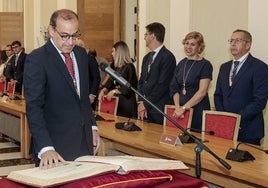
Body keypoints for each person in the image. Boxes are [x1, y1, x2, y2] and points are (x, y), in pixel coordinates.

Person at [23, 9, 100, 168]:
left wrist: (92, 126)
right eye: (64, 35)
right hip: (54, 147)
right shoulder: (37, 59)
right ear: (51, 30)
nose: (70, 42)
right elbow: (34, 107)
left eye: (75, 35)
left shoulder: (80, 54)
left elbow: (83, 98)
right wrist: (45, 147)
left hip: (83, 143)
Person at [214, 29, 268, 145]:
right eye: (231, 41)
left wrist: (236, 119)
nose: (233, 44)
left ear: (248, 45)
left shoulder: (259, 67)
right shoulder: (224, 67)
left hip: (248, 130)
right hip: (225, 129)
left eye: (237, 41)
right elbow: (218, 95)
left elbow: (259, 101)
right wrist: (224, 118)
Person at [169, 31, 213, 131]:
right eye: (186, 43)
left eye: (192, 44)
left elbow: (202, 92)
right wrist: (177, 107)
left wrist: (184, 108)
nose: (188, 47)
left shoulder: (205, 65)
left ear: (199, 47)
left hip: (197, 110)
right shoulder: (181, 63)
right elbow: (174, 88)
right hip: (180, 112)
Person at [137, 22, 176, 124]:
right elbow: (141, 81)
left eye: (146, 34)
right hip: (145, 108)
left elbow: (162, 85)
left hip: (158, 108)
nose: (144, 37)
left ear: (152, 36)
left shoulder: (167, 57)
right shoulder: (146, 58)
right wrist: (141, 102)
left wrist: (146, 103)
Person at [98, 41, 138, 118]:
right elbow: (111, 82)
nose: (112, 54)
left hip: (127, 104)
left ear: (119, 52)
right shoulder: (117, 68)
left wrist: (114, 91)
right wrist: (103, 90)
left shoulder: (129, 67)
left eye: (113, 51)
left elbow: (129, 88)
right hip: (118, 103)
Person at [76, 39, 101, 110]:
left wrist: (92, 94)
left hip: (88, 96)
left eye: (79, 46)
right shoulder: (72, 60)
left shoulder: (90, 59)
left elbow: (96, 77)